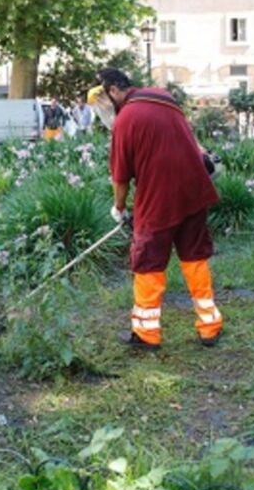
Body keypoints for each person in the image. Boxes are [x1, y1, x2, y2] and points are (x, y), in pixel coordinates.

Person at [94, 67, 223, 350]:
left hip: (158, 201)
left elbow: (120, 178)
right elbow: (190, 138)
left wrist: (119, 208)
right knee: (194, 258)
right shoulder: (163, 97)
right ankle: (209, 327)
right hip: (194, 191)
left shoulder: (125, 120)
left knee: (148, 263)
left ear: (114, 91)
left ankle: (147, 334)